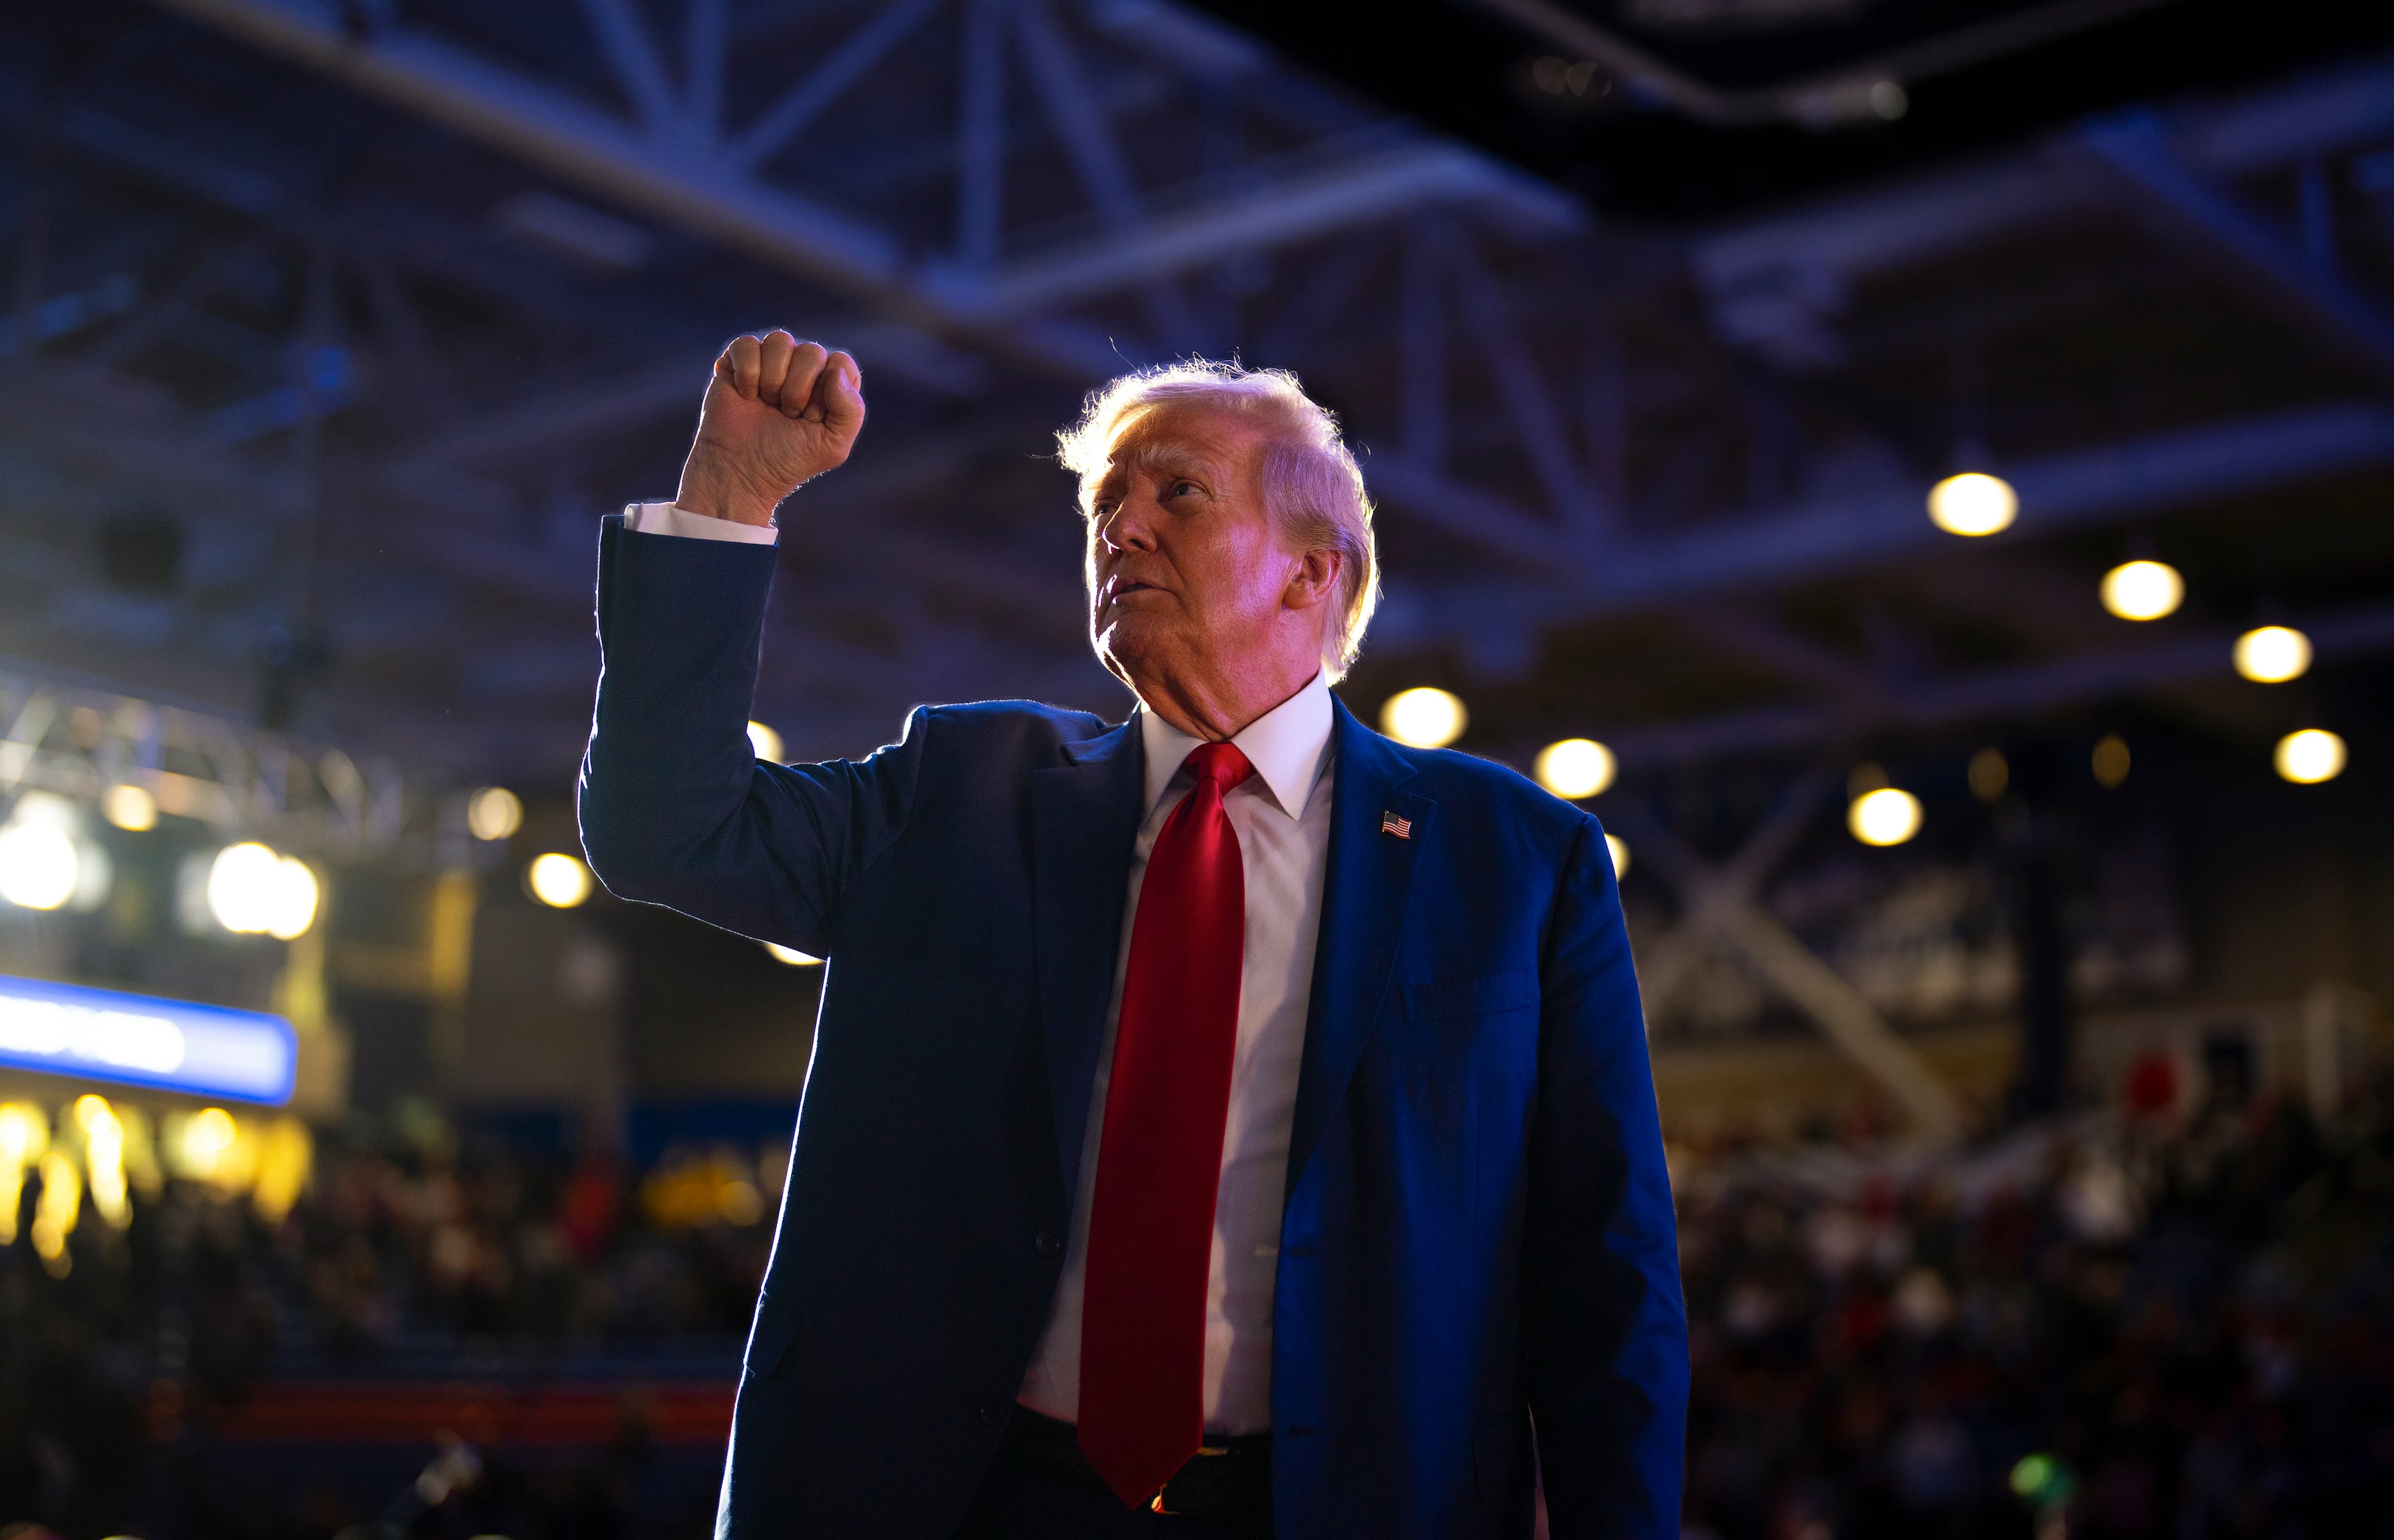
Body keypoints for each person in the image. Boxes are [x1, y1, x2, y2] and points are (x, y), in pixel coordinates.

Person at [578, 330, 1686, 1538]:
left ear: (1315, 573)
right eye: (1106, 503)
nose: (1122, 527)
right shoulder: (960, 789)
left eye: (1179, 494)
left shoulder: (1516, 860)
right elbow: (663, 829)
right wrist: (728, 505)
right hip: (960, 1495)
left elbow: (1605, 1276)